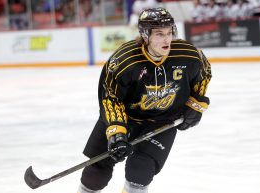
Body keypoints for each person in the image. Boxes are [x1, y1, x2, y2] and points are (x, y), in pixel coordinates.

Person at [77, 7, 212, 193]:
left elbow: (204, 73)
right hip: (124, 117)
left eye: (169, 32)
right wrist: (116, 133)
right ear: (145, 36)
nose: (167, 39)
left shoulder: (189, 55)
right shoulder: (124, 60)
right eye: (159, 34)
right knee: (95, 173)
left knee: (140, 172)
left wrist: (196, 104)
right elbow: (110, 97)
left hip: (162, 120)